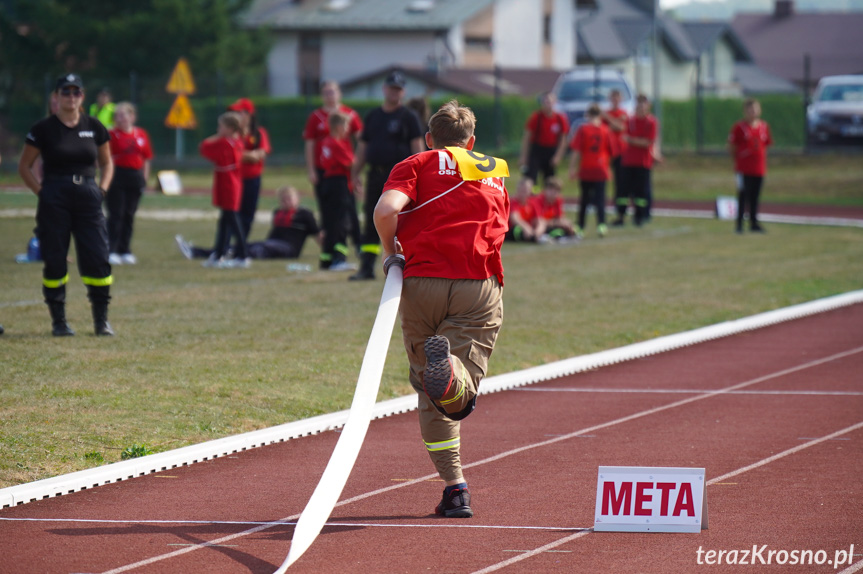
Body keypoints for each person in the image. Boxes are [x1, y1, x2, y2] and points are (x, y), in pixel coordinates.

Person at [373, 100, 509, 518]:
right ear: (472, 141)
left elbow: (385, 210)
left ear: (429, 138)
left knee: (431, 393)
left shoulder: (415, 162)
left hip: (420, 283)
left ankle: (455, 487)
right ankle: (451, 368)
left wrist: (390, 252)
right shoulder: (495, 168)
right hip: (476, 281)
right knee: (458, 395)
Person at [18, 73, 115, 336]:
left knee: (97, 257)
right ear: (56, 97)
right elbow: (25, 166)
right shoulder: (43, 129)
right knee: (55, 260)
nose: (71, 97)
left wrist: (102, 189)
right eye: (65, 92)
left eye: (76, 92)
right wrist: (42, 193)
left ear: (82, 96)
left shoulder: (94, 126)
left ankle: (101, 320)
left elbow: (107, 163)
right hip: (55, 197)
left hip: (88, 196)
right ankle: (59, 321)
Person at [350, 70, 424, 281]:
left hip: (399, 179)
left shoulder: (409, 117)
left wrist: (419, 177)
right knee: (372, 219)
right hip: (375, 176)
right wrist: (355, 173)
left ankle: (407, 266)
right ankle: (366, 266)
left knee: (402, 221)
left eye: (399, 89)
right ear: (384, 89)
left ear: (403, 92)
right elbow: (363, 147)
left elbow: (417, 150)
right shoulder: (373, 116)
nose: (395, 92)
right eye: (392, 88)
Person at [176, 186, 321, 260]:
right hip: (271, 243)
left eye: (289, 198)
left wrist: (328, 251)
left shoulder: (305, 214)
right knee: (244, 245)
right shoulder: (278, 212)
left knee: (258, 248)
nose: (286, 201)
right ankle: (196, 252)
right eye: (283, 199)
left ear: (297, 199)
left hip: (289, 249)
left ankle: (233, 255)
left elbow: (317, 234)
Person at [303, 81, 363, 251]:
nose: (330, 95)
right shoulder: (316, 117)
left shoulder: (349, 114)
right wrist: (311, 170)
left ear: (339, 93)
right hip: (327, 170)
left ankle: (355, 242)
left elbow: (361, 139)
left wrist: (357, 166)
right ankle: (332, 247)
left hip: (344, 171)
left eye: (333, 92)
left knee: (349, 209)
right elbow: (310, 144)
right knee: (329, 211)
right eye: (326, 92)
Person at [199, 112, 249, 268]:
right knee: (225, 221)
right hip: (229, 181)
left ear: (229, 128)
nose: (218, 129)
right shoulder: (235, 141)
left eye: (221, 126)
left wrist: (218, 135)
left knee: (232, 220)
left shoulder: (225, 142)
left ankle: (243, 255)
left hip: (228, 183)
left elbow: (204, 147)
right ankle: (219, 254)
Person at [106, 101, 153, 265]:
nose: (120, 119)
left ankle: (124, 250)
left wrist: (144, 178)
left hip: (135, 177)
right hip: (117, 176)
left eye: (123, 115)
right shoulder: (111, 135)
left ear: (132, 116)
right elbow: (105, 158)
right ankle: (111, 249)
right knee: (116, 214)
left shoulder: (140, 134)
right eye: (117, 116)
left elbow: (146, 158)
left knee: (129, 215)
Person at [227, 98, 271, 242]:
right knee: (231, 213)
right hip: (234, 179)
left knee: (248, 215)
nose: (235, 116)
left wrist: (242, 154)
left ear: (249, 114)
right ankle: (225, 245)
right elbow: (229, 153)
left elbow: (260, 154)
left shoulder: (259, 133)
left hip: (252, 180)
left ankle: (239, 246)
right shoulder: (231, 133)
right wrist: (249, 155)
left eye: (239, 112)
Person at [318, 112, 357, 271]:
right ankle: (338, 260)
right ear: (339, 126)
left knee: (330, 223)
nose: (348, 129)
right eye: (346, 125)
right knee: (342, 223)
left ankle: (326, 260)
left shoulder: (326, 141)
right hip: (339, 184)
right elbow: (351, 163)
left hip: (328, 183)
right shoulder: (337, 143)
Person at [569, 104, 614, 238]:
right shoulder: (605, 130)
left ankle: (581, 226)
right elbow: (611, 151)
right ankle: (601, 225)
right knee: (600, 199)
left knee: (584, 199)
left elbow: (576, 151)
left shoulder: (583, 129)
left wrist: (572, 168)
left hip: (586, 168)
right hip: (601, 169)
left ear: (588, 115)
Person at [729, 98, 772, 234]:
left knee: (755, 196)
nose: (752, 112)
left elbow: (766, 144)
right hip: (743, 168)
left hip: (759, 168)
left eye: (755, 109)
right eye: (750, 109)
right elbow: (732, 146)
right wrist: (737, 160)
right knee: (743, 195)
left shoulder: (764, 126)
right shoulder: (739, 127)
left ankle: (754, 223)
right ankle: (739, 224)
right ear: (745, 111)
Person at [614, 94, 658, 227]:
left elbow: (647, 142)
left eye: (643, 105)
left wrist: (632, 140)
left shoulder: (651, 122)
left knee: (641, 192)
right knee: (623, 191)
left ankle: (639, 216)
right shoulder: (630, 120)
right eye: (638, 105)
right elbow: (623, 136)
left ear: (647, 106)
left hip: (643, 162)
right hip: (627, 161)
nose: (640, 108)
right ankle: (620, 216)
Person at [518, 92, 570, 187]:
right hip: (537, 150)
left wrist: (558, 156)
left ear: (554, 102)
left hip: (551, 151)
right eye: (545, 102)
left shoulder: (559, 119)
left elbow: (563, 140)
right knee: (531, 177)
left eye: (550, 102)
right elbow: (526, 138)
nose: (548, 104)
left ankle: (547, 199)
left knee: (550, 179)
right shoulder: (536, 117)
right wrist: (524, 156)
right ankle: (531, 198)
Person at [601, 89, 628, 222]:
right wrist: (613, 122)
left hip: (620, 152)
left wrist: (609, 119)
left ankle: (620, 212)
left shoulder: (623, 113)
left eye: (617, 98)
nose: (615, 101)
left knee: (620, 183)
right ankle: (601, 206)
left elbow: (621, 127)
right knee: (602, 180)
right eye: (613, 98)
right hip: (606, 153)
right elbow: (603, 130)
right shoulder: (606, 115)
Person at [530, 176, 576, 241]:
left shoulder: (558, 200)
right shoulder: (538, 200)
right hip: (535, 223)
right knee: (541, 224)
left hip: (549, 223)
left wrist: (561, 222)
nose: (553, 194)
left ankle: (573, 235)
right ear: (545, 190)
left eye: (556, 191)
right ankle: (535, 237)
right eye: (551, 190)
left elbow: (560, 217)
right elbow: (538, 219)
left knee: (566, 222)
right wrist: (554, 222)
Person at [505, 177, 540, 242]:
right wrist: (526, 228)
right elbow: (515, 219)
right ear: (518, 190)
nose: (524, 192)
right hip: (513, 229)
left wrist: (537, 231)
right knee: (517, 230)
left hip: (529, 229)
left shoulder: (532, 203)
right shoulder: (513, 202)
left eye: (526, 190)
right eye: (522, 190)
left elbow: (537, 220)